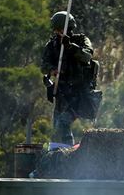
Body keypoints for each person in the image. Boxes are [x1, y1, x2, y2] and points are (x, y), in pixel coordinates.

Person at [41, 11, 98, 147]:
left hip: (79, 93)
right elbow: (44, 66)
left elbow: (87, 56)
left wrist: (70, 46)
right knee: (57, 127)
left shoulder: (81, 40)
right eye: (56, 30)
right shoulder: (52, 45)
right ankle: (60, 152)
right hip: (62, 92)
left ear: (68, 28)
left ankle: (68, 153)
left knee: (63, 122)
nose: (57, 32)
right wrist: (52, 70)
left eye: (60, 29)